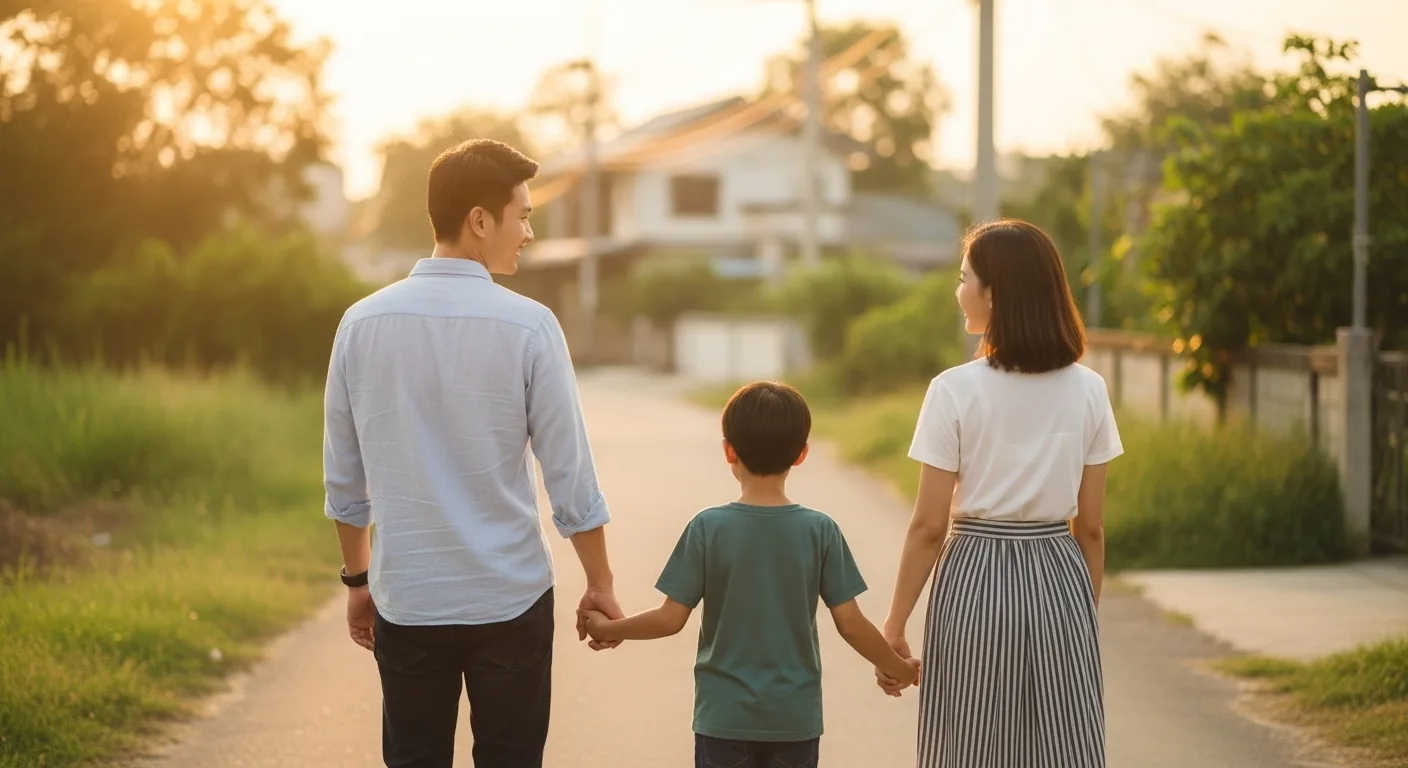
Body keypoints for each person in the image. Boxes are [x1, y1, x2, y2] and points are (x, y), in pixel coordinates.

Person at [322, 139, 624, 768]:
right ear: (480, 220)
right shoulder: (531, 325)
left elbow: (346, 478)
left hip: (409, 596)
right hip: (509, 597)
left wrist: (357, 580)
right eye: (523, 216)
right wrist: (599, 580)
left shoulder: (360, 323)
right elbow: (569, 472)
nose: (529, 233)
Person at [877, 219, 1122, 768]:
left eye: (965, 278)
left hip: (973, 575)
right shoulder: (1089, 389)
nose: (957, 290)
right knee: (1062, 743)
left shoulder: (953, 390)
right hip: (1060, 574)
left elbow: (928, 527)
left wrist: (892, 629)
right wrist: (1083, 611)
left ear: (994, 292)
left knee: (966, 741)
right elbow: (1091, 526)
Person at [580, 381, 920, 768]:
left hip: (723, 720)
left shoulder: (708, 527)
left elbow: (669, 618)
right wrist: (900, 670)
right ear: (802, 454)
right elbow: (852, 624)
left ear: (729, 451)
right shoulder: (820, 530)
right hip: (793, 722)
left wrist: (607, 629)